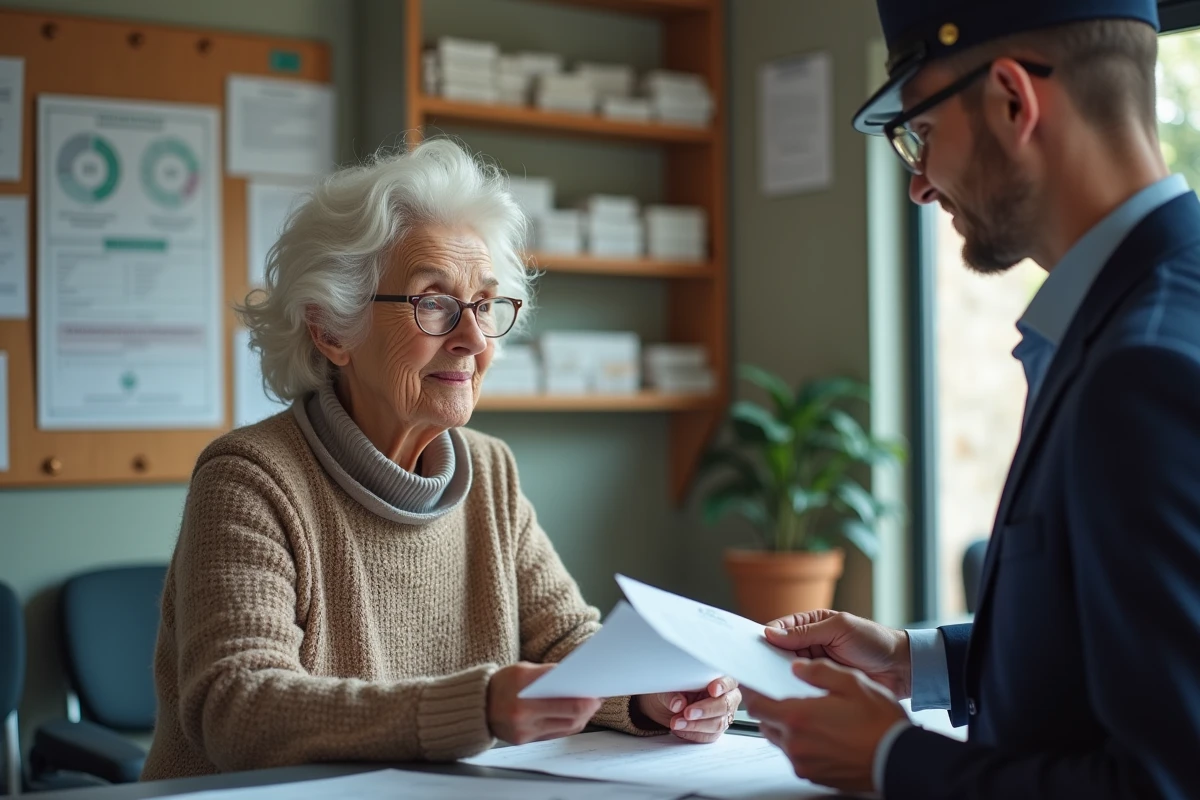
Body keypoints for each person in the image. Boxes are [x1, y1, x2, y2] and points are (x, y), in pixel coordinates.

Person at [141, 139, 740, 780]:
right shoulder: (252, 478)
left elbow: (565, 641)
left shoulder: (490, 472)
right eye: (433, 302)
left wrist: (652, 693)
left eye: (483, 304)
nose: (473, 339)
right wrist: (476, 708)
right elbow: (238, 709)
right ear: (330, 329)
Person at [742, 1, 1200, 797]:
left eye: (918, 132)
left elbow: (1166, 778)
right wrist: (913, 659)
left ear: (1013, 100)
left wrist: (893, 760)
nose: (918, 183)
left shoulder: (1143, 369)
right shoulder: (1138, 316)